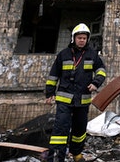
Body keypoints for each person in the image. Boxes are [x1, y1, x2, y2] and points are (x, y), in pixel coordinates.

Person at [44, 23, 107, 162]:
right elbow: (53, 75)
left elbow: (101, 70)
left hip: (83, 101)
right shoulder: (63, 54)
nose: (82, 40)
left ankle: (76, 154)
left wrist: (96, 82)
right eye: (79, 37)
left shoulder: (92, 54)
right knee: (60, 131)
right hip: (64, 101)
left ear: (87, 39)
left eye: (84, 38)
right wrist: (49, 94)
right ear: (74, 38)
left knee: (80, 130)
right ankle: (56, 158)